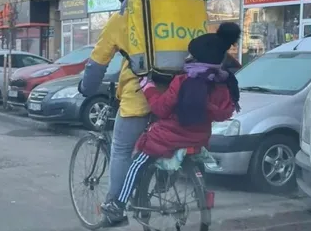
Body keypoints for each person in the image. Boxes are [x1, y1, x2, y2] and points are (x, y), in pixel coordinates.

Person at [100, 22, 241, 227]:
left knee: (137, 162)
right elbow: (224, 111)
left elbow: (160, 109)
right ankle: (167, 184)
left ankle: (117, 205)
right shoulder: (222, 83)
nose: (186, 58)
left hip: (169, 136)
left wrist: (148, 87)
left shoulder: (183, 81)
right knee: (163, 153)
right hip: (199, 137)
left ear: (195, 58)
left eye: (189, 55)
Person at [78, 0, 151, 203]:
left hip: (139, 97)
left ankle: (114, 207)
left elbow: (97, 63)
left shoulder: (122, 19)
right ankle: (150, 190)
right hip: (175, 95)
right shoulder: (165, 16)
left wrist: (86, 88)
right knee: (155, 147)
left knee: (121, 149)